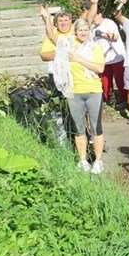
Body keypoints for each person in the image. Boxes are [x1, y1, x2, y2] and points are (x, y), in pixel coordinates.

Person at [46, 18, 106, 173]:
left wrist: (79, 59)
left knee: (95, 127)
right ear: (75, 31)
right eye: (80, 30)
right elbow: (52, 38)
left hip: (93, 91)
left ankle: (98, 161)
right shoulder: (68, 45)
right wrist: (46, 18)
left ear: (89, 31)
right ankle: (83, 160)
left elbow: (100, 68)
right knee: (78, 128)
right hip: (74, 92)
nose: (83, 33)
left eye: (86, 30)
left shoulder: (95, 47)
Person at [87, 0, 127, 105]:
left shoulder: (109, 23)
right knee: (105, 81)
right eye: (92, 17)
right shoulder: (92, 28)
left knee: (119, 80)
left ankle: (123, 100)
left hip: (116, 57)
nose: (94, 19)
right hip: (103, 60)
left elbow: (115, 38)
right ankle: (107, 99)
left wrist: (103, 34)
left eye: (95, 17)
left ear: (100, 14)